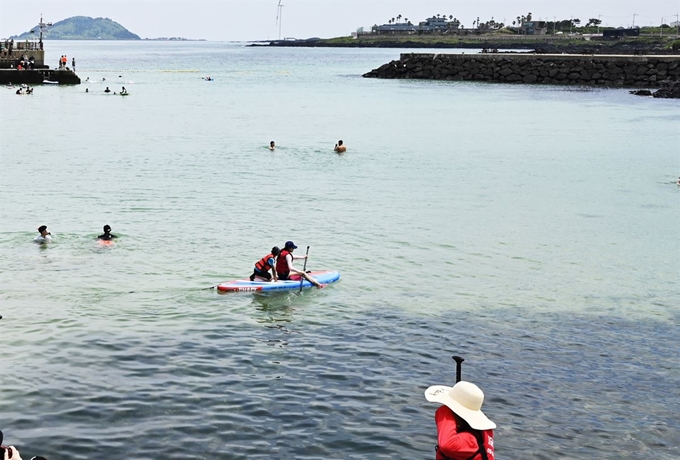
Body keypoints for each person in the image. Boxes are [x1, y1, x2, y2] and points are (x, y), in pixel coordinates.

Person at [424, 381, 495, 460]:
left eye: (450, 408)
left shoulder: (470, 440)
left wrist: (444, 410)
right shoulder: (482, 432)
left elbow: (447, 445)